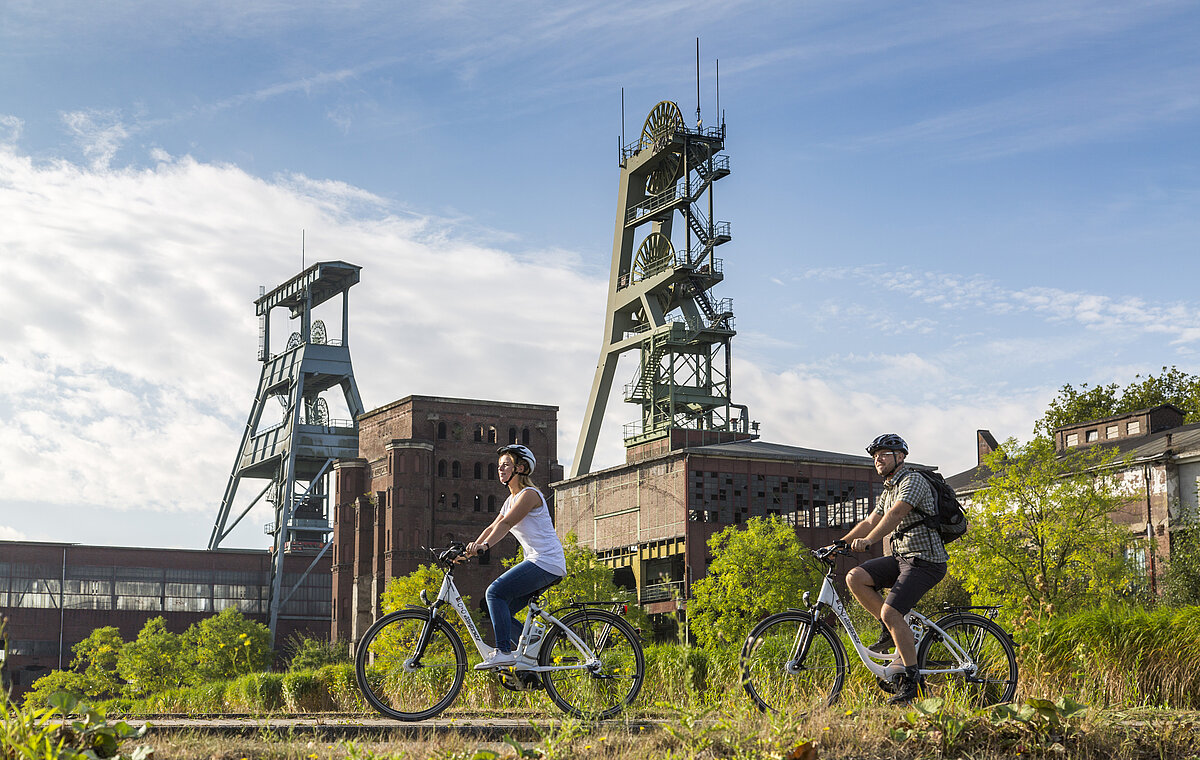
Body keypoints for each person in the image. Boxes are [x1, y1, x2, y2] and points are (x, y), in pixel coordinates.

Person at [839, 433, 948, 705]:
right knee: (856, 577)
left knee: (891, 610)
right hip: (902, 559)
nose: (878, 459)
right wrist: (840, 544)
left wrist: (869, 541)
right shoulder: (888, 489)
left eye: (884, 454)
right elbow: (871, 520)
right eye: (875, 456)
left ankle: (912, 681)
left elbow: (895, 515)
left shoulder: (913, 480)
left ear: (901, 457)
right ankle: (892, 630)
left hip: (926, 560)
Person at [461, 443, 567, 669]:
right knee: (502, 611)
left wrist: (485, 547)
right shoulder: (510, 500)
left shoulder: (529, 495)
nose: (500, 469)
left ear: (521, 468)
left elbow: (507, 524)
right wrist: (468, 551)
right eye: (499, 466)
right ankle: (535, 654)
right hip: (539, 562)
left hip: (546, 561)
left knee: (494, 592)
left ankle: (504, 652)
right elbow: (493, 526)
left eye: (505, 465)